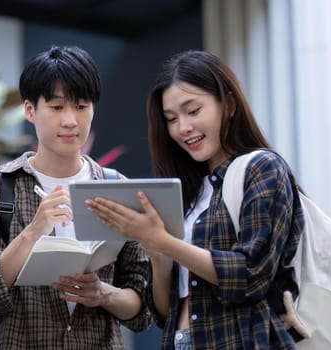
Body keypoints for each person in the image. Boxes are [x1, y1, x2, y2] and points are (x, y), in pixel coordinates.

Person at [86, 49, 305, 349]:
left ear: (227, 104)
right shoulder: (189, 193)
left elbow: (251, 274)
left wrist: (163, 240)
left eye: (193, 110)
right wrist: (158, 254)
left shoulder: (262, 168)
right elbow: (164, 312)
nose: (182, 128)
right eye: (171, 118)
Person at [0, 45, 152, 349]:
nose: (70, 120)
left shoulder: (116, 187)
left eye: (81, 106)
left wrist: (102, 293)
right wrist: (33, 232)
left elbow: (142, 308)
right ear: (29, 110)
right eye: (57, 107)